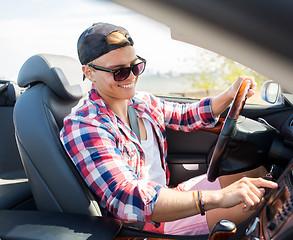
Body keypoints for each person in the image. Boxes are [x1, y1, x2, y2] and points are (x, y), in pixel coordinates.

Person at [60, 22, 278, 236]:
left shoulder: (141, 102)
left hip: (168, 195)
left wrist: (229, 95)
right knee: (262, 204)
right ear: (89, 73)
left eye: (136, 66)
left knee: (259, 178)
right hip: (146, 222)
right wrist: (218, 198)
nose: (132, 77)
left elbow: (185, 116)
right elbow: (128, 197)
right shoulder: (85, 125)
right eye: (119, 72)